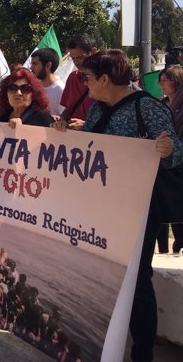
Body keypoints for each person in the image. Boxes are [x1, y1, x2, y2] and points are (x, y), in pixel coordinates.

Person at [53, 49, 183, 362]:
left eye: (87, 78)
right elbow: (94, 146)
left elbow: (177, 151)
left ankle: (142, 353)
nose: (85, 84)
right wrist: (71, 133)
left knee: (137, 281)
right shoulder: (98, 108)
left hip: (138, 210)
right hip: (101, 208)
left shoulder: (147, 108)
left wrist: (167, 149)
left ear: (106, 79)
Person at [156, 65, 183, 253]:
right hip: (161, 163)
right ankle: (164, 248)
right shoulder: (159, 105)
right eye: (160, 80)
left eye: (165, 80)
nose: (161, 84)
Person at [60, 34, 98, 130]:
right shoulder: (73, 77)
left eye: (80, 57)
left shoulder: (108, 80)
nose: (76, 63)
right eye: (73, 58)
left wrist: (86, 126)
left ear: (93, 51)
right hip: (73, 140)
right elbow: (69, 109)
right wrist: (61, 121)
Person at [30, 48, 65, 116]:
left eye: (35, 64)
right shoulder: (32, 87)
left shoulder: (61, 89)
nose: (31, 68)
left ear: (48, 65)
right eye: (31, 64)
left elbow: (64, 119)